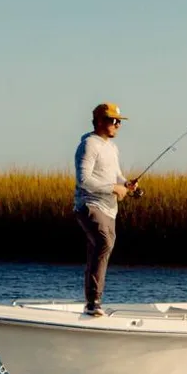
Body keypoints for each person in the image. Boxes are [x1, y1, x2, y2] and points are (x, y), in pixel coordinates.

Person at [73, 102, 138, 316]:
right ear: (100, 121)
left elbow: (116, 175)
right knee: (104, 242)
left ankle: (91, 301)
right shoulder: (89, 145)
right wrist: (113, 188)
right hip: (89, 205)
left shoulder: (112, 147)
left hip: (110, 209)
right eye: (113, 120)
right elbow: (84, 180)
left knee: (99, 248)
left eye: (119, 121)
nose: (118, 125)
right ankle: (94, 302)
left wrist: (126, 184)